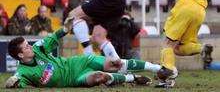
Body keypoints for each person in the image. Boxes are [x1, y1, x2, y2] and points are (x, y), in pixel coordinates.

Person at [6, 18, 161, 88]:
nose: (30, 47)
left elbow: (53, 37)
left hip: (78, 63)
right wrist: (10, 83)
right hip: (74, 80)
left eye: (28, 44)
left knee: (115, 62)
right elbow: (14, 82)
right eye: (26, 47)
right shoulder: (23, 72)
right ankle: (132, 78)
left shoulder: (38, 48)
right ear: (20, 55)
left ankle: (158, 69)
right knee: (98, 76)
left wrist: (66, 28)